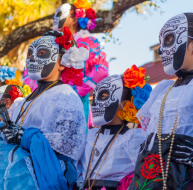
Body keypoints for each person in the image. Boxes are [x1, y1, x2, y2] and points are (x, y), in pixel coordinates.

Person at [129, 13, 193, 190]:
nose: (161, 50)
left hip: (187, 180)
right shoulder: (163, 89)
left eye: (169, 39)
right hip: (145, 179)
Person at [0, 28, 88, 190]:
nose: (32, 59)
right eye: (30, 54)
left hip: (37, 180)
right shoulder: (23, 102)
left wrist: (23, 137)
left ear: (62, 62)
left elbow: (67, 147)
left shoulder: (64, 96)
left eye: (41, 53)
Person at [77, 65, 152, 190]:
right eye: (94, 96)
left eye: (103, 96)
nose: (95, 103)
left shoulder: (135, 138)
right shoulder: (89, 136)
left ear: (124, 104)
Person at [53, 2, 109, 131]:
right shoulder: (49, 43)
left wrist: (77, 91)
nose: (55, 18)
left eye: (60, 14)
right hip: (50, 102)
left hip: (75, 104)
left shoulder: (86, 41)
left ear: (74, 19)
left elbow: (101, 71)